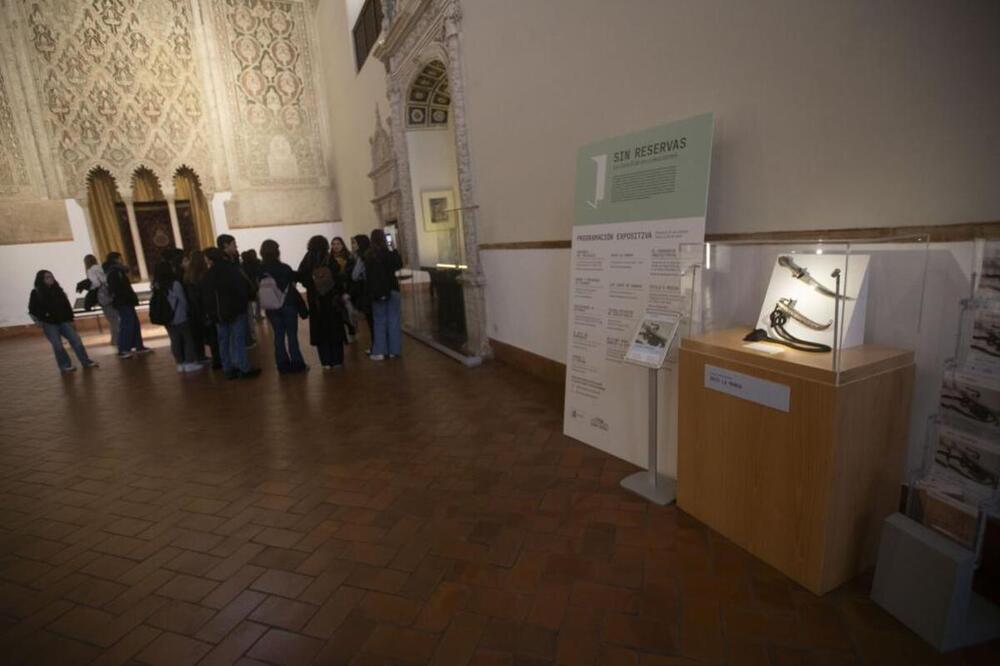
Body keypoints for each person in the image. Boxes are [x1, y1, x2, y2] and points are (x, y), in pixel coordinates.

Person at [201, 247, 260, 379]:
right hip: (236, 310)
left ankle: (228, 368)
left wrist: (211, 312)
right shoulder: (231, 270)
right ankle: (243, 367)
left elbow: (206, 296)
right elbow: (241, 288)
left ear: (210, 259)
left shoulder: (208, 275)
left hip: (218, 314)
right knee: (238, 340)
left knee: (223, 341)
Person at [28, 270, 99, 373]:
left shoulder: (58, 290)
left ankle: (86, 362)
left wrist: (70, 319)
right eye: (47, 277)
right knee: (58, 345)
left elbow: (66, 305)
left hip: (63, 321)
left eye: (51, 276)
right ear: (41, 280)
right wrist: (40, 319)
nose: (51, 279)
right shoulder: (36, 292)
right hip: (49, 323)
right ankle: (65, 365)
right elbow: (32, 308)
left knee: (76, 341)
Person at [297, 235, 347, 370]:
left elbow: (301, 277)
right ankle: (337, 360)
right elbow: (338, 277)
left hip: (315, 301)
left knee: (320, 330)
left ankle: (326, 361)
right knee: (335, 328)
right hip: (331, 300)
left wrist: (312, 285)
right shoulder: (329, 257)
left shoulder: (307, 259)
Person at [259, 240, 308, 374]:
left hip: (271, 307)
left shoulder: (260, 269)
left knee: (278, 336)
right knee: (292, 335)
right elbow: (294, 280)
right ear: (277, 252)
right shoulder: (284, 268)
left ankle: (282, 364)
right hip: (288, 305)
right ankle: (297, 363)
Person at [152, 261, 202, 373]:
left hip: (167, 317)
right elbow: (182, 300)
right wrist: (188, 311)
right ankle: (189, 362)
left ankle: (180, 363)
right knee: (187, 338)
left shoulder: (156, 285)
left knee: (174, 340)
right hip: (179, 315)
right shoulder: (175, 284)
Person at [105, 251, 153, 359]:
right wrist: (126, 297)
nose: (122, 260)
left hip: (126, 301)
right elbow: (117, 289)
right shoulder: (115, 272)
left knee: (134, 323)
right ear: (116, 259)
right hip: (123, 302)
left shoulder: (118, 271)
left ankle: (138, 345)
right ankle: (123, 349)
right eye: (120, 258)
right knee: (127, 325)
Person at [365, 229, 403, 361]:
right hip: (392, 288)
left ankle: (380, 351)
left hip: (377, 291)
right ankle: (394, 351)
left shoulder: (369, 255)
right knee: (394, 320)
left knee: (379, 321)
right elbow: (399, 265)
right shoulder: (390, 253)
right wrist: (393, 249)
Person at [183, 250, 218, 367]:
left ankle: (200, 356)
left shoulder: (188, 276)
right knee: (212, 336)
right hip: (205, 309)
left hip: (194, 311)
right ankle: (217, 359)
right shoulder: (205, 274)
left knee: (198, 336)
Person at [85, 254, 118, 346]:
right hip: (110, 294)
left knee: (112, 319)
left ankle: (116, 340)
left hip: (103, 296)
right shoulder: (100, 267)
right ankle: (116, 339)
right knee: (115, 318)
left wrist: (89, 287)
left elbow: (96, 283)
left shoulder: (90, 270)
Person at [331, 236, 356, 342]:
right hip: (336, 289)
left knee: (349, 311)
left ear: (342, 245)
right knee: (340, 312)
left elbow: (351, 273)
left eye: (338, 244)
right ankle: (344, 334)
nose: (335, 246)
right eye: (333, 244)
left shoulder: (349, 257)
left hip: (347, 287)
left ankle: (352, 332)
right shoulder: (329, 258)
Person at [350, 234, 373, 349]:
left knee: (371, 321)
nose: (353, 245)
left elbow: (354, 276)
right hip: (374, 290)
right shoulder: (371, 253)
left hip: (367, 291)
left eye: (354, 243)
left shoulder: (361, 257)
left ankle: (376, 347)